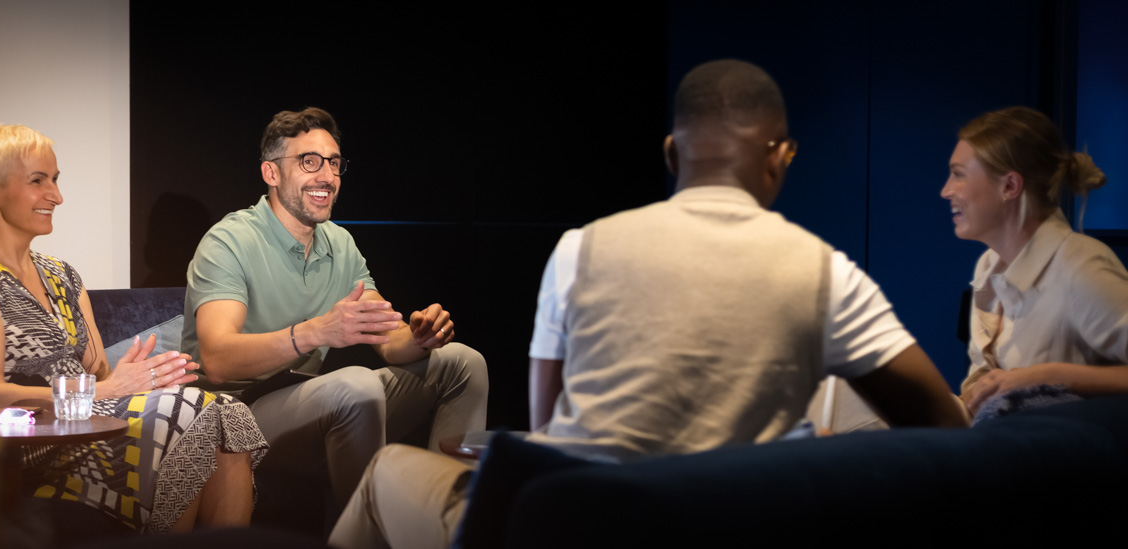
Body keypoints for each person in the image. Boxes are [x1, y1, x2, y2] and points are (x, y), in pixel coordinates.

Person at [327, 59, 969, 549]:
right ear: (782, 155)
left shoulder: (580, 251)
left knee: (386, 470)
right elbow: (946, 430)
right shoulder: (831, 274)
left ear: (670, 151)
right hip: (735, 525)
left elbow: (549, 434)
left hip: (579, 525)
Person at [0, 124, 269, 533]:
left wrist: (131, 380)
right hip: (30, 447)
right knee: (189, 411)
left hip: (87, 427)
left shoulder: (62, 276)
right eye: (38, 181)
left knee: (222, 409)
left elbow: (99, 378)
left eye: (54, 180)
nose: (56, 196)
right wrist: (104, 391)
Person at [180, 107, 488, 510]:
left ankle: (445, 516)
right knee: (355, 384)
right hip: (233, 417)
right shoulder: (229, 241)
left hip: (309, 404)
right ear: (271, 173)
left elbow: (389, 340)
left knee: (463, 362)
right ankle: (367, 532)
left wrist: (418, 336)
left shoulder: (338, 242)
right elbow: (217, 359)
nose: (326, 175)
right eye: (309, 161)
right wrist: (315, 332)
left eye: (334, 163)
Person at [942, 106, 1128, 416]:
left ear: (1010, 186)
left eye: (958, 174)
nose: (945, 190)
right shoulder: (988, 265)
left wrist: (1046, 376)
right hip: (994, 444)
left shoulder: (1080, 266)